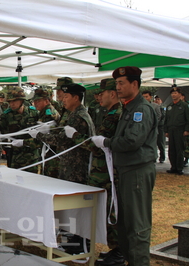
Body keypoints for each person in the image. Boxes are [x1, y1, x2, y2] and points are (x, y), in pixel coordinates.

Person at [92, 66, 157, 266]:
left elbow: (131, 141)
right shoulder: (129, 108)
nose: (117, 87)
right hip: (125, 171)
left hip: (137, 171)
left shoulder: (141, 110)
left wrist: (107, 143)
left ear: (135, 84)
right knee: (125, 222)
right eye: (117, 83)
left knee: (137, 224)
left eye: (121, 83)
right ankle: (130, 260)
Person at [69, 78, 124, 265]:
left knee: (111, 211)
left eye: (102, 94)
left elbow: (97, 147)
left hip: (108, 172)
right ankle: (113, 249)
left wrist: (75, 136)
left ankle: (118, 252)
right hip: (101, 172)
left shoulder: (116, 114)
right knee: (103, 210)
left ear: (113, 94)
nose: (98, 97)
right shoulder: (109, 113)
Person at [32, 83, 95, 184]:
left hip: (74, 168)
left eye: (66, 97)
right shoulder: (77, 114)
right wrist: (49, 129)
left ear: (76, 98)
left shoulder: (77, 116)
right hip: (73, 165)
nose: (63, 100)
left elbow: (61, 140)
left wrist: (38, 135)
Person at [0, 87, 40, 173]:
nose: (12, 104)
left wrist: (25, 142)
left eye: (14, 101)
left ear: (21, 100)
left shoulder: (34, 113)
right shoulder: (7, 115)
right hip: (15, 157)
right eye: (10, 102)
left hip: (32, 157)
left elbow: (41, 137)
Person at [17, 88, 60, 177]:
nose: (35, 103)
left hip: (53, 155)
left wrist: (24, 142)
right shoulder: (43, 112)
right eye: (34, 101)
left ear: (47, 101)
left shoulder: (48, 114)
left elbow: (43, 139)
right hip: (49, 154)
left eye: (38, 101)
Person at [164, 86, 189, 175]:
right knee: (172, 150)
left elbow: (188, 119)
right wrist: (166, 130)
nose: (173, 95)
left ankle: (179, 168)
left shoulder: (184, 106)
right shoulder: (170, 106)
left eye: (175, 93)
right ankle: (173, 167)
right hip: (171, 130)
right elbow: (166, 119)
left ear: (179, 94)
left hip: (180, 130)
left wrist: (187, 130)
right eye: (172, 93)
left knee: (179, 149)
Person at [154, 95, 166, 163]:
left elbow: (163, 117)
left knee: (160, 142)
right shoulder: (153, 106)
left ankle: (162, 157)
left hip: (161, 126)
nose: (157, 101)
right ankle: (155, 156)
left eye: (158, 99)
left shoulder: (163, 107)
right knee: (154, 142)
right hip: (155, 126)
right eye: (156, 99)